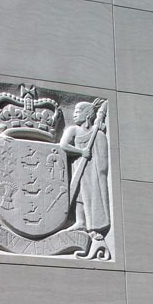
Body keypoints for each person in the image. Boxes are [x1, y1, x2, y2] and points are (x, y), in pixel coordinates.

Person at [60, 101, 110, 235]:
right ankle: (80, 221)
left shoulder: (97, 133)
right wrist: (81, 152)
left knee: (89, 194)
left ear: (87, 114)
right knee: (78, 193)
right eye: (74, 112)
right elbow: (63, 145)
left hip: (91, 169)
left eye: (78, 112)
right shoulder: (73, 130)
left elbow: (103, 158)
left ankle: (90, 223)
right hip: (78, 167)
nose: (74, 115)